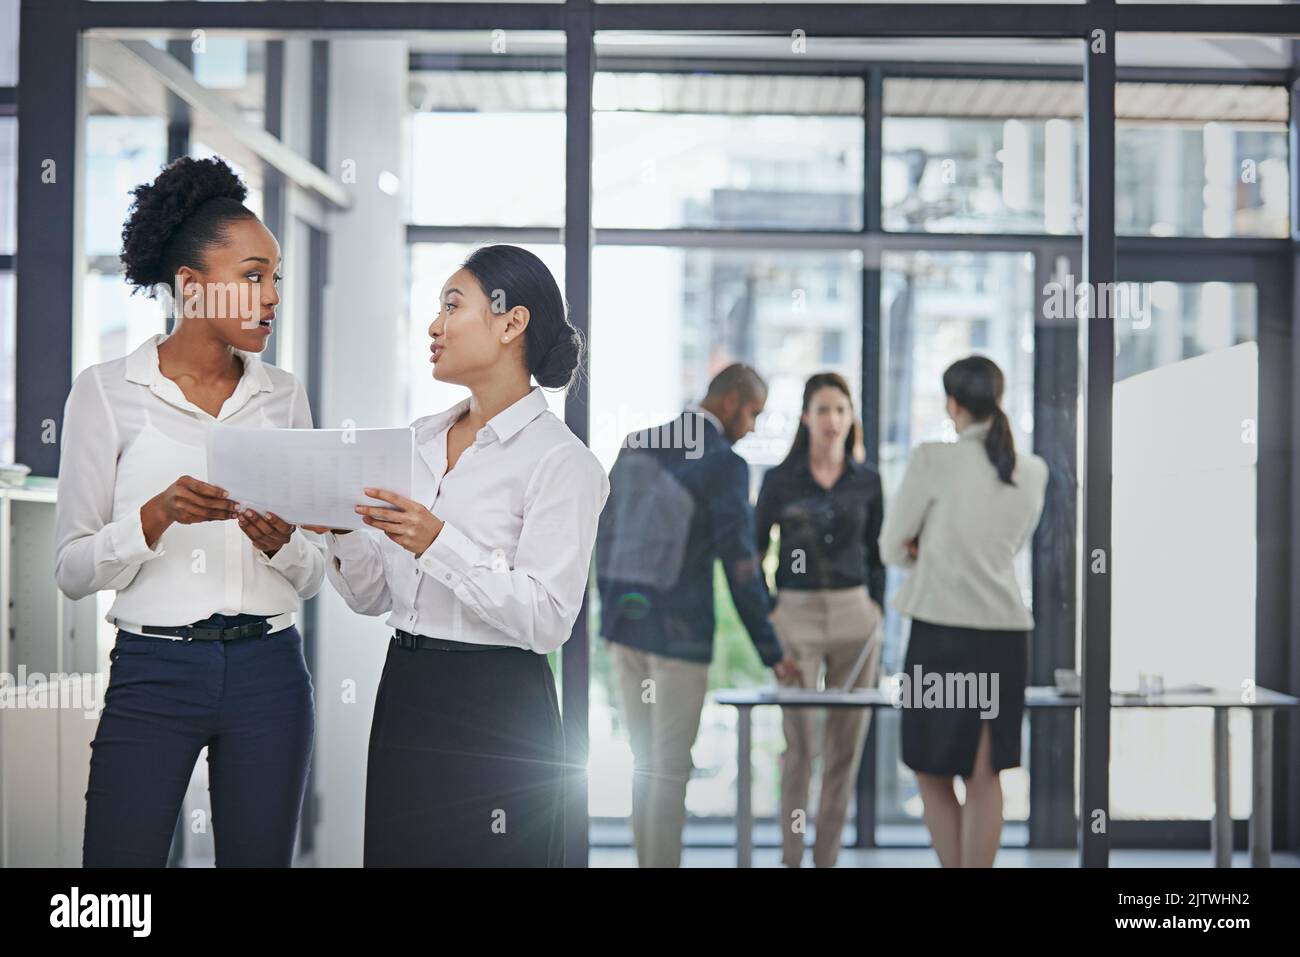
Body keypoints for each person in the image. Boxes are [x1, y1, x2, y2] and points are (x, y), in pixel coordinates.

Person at [56, 156, 323, 867]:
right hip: (153, 670)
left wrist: (282, 544)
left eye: (275, 279)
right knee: (117, 886)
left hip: (271, 669)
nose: (271, 297)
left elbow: (314, 572)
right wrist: (156, 514)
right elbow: (71, 569)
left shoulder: (283, 395)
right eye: (253, 276)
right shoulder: (107, 392)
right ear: (191, 287)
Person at [307, 245, 608, 867]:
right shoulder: (414, 440)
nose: (434, 325)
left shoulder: (561, 461)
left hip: (497, 706)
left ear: (509, 322)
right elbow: (374, 598)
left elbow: (548, 619)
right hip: (407, 690)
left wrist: (439, 541)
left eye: (452, 305)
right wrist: (340, 532)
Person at [596, 364, 799, 868]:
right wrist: (771, 650)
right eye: (753, 413)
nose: (751, 427)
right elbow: (742, 567)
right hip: (679, 641)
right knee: (669, 771)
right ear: (730, 401)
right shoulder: (723, 463)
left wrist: (612, 613)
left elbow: (603, 535)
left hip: (625, 633)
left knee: (646, 767)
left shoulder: (636, 441)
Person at [878, 355, 1048, 868]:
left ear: (953, 404)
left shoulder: (933, 459)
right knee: (985, 772)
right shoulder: (1033, 470)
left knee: (930, 768)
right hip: (1003, 636)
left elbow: (890, 547)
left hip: (941, 633)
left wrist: (925, 551)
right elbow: (1008, 544)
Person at [754, 371, 886, 868]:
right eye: (823, 409)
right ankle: (792, 857)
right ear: (806, 416)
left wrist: (874, 606)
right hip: (797, 614)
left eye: (841, 410)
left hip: (857, 616)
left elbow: (877, 552)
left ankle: (826, 858)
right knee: (800, 745)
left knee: (845, 748)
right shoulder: (780, 479)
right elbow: (753, 549)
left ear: (851, 419)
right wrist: (772, 611)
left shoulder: (868, 480)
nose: (832, 420)